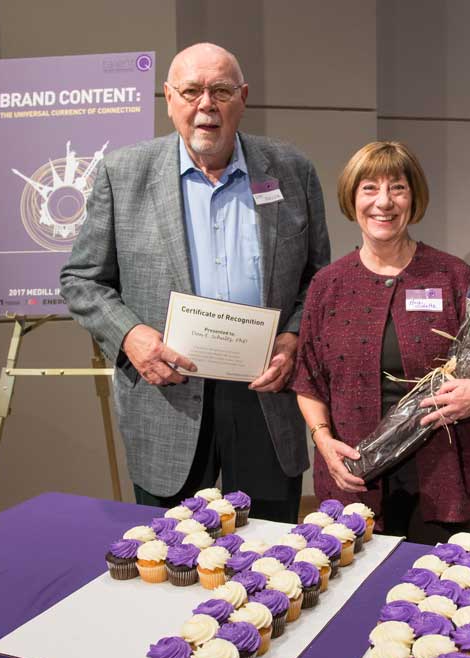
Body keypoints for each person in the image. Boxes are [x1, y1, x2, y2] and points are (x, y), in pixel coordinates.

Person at [61, 43, 330, 522]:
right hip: (168, 390)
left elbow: (318, 279)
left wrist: (292, 338)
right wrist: (130, 336)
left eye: (221, 90)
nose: (206, 104)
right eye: (191, 91)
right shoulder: (122, 174)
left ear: (242, 97)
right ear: (169, 98)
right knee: (171, 554)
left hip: (266, 389)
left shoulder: (292, 170)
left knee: (272, 552)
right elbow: (82, 280)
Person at [291, 141, 470, 544]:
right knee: (356, 593)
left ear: (413, 197)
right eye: (369, 188)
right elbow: (307, 378)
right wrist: (323, 440)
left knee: (440, 590)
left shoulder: (453, 275)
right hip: (355, 471)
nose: (383, 202)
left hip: (442, 470)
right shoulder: (328, 285)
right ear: (352, 198)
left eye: (397, 188)